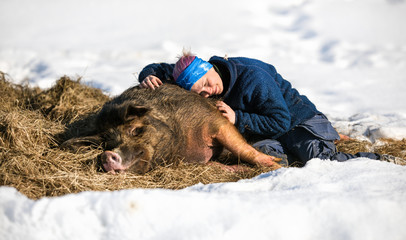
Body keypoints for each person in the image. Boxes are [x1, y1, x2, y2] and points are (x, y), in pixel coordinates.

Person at [138, 50, 404, 166]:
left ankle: (376, 162)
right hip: (267, 131)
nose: (208, 92)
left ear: (208, 67)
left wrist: (237, 117)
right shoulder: (198, 76)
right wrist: (147, 75)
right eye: (201, 92)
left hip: (298, 122)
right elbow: (163, 69)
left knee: (319, 162)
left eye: (207, 83)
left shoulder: (253, 78)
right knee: (268, 161)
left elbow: (280, 121)